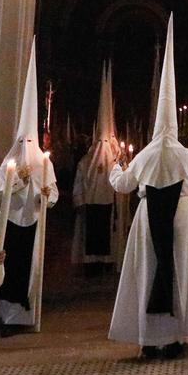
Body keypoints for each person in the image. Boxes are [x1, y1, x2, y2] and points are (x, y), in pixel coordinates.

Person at [108, 17, 188, 358]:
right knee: (176, 272)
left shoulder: (145, 154)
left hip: (149, 217)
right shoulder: (184, 153)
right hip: (181, 216)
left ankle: (149, 339)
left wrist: (116, 163)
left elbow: (123, 185)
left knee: (149, 271)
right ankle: (172, 337)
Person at [0, 51, 59, 333]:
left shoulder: (44, 162)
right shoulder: (11, 163)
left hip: (33, 221)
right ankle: (4, 313)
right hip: (11, 222)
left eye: (31, 141)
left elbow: (53, 195)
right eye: (22, 141)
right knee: (9, 267)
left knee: (27, 268)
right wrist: (17, 180)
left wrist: (44, 193)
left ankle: (21, 316)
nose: (27, 146)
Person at [71, 64, 120, 271]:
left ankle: (106, 262)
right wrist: (80, 200)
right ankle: (92, 263)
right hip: (92, 203)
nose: (103, 149)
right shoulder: (86, 161)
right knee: (91, 235)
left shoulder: (114, 158)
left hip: (107, 201)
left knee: (105, 233)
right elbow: (80, 180)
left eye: (106, 143)